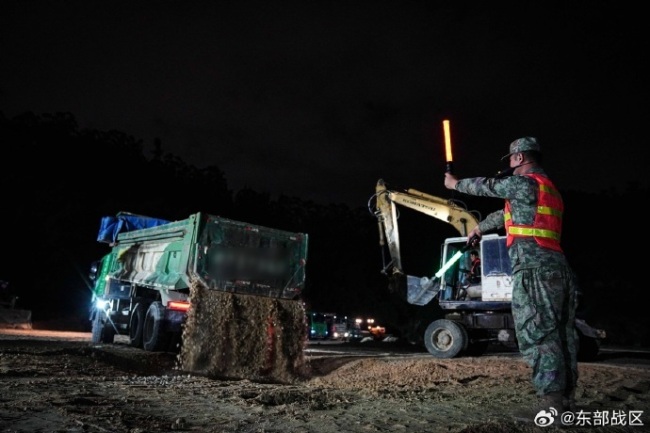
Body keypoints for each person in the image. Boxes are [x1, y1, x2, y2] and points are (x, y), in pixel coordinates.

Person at [443, 137, 578, 420]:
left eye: (510, 161)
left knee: (540, 335)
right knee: (563, 337)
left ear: (518, 158)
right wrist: (480, 228)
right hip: (558, 269)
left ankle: (550, 408)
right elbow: (506, 214)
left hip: (533, 270)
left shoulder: (524, 182)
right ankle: (565, 401)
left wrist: (455, 184)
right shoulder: (548, 189)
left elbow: (488, 186)